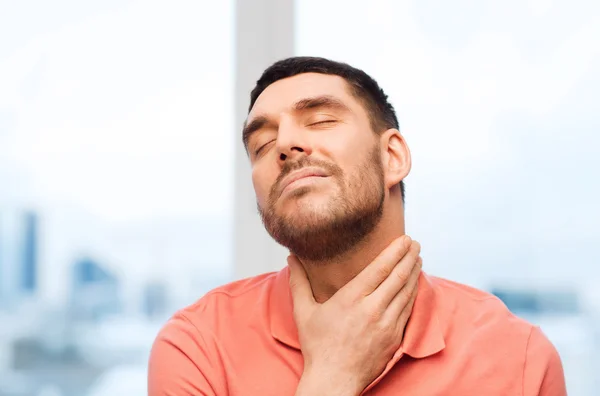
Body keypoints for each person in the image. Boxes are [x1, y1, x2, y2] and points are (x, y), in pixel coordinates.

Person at [148, 57, 566, 395]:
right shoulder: (199, 348)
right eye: (260, 144)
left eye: (321, 120)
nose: (284, 145)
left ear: (393, 157)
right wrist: (333, 376)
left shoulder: (518, 359)